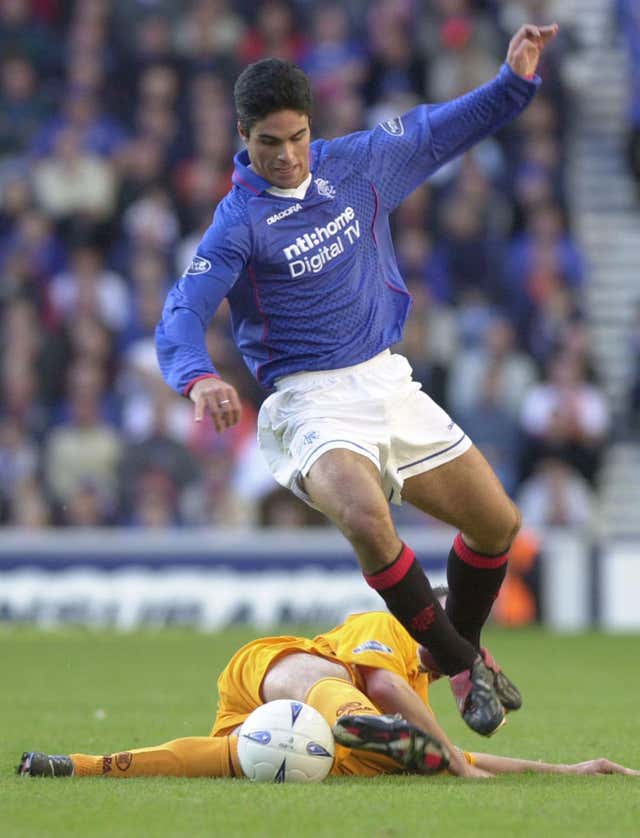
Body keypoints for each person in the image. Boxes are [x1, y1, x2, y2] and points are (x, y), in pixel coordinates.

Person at [155, 24, 559, 737]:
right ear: (242, 135)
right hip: (310, 402)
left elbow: (441, 130)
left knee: (497, 524)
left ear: (314, 125)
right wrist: (197, 378)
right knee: (369, 520)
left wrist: (514, 82)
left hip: (386, 382)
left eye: (298, 138)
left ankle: (446, 659)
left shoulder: (360, 165)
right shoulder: (236, 224)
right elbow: (182, 310)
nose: (286, 157)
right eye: (269, 143)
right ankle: (466, 661)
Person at [18, 608, 639, 780]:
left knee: (221, 761)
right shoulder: (390, 625)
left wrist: (567, 768)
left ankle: (73, 765)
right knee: (338, 686)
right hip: (275, 672)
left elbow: (474, 759)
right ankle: (359, 724)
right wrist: (448, 754)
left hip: (299, 745)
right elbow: (387, 682)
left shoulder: (421, 703)